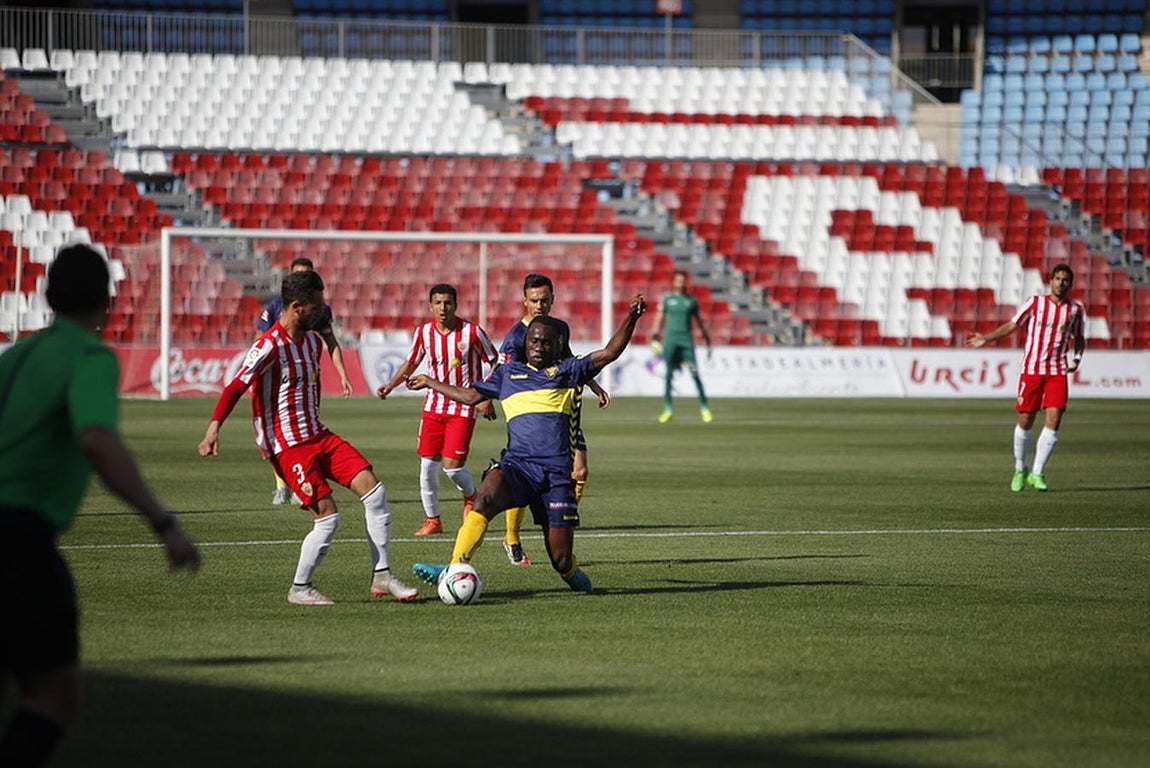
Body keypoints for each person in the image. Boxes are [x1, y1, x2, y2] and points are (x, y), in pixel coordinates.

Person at [0, 244, 200, 767]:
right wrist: (164, 522)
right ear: (107, 301)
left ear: (47, 295)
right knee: (52, 696)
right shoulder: (88, 357)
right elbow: (96, 440)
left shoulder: (16, 355)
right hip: (18, 538)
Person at [406, 293, 648, 596]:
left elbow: (610, 352)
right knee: (484, 499)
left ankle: (572, 572)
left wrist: (632, 317)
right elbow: (470, 397)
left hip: (557, 476)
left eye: (545, 342)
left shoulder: (569, 371)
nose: (538, 347)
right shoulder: (508, 373)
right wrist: (430, 381)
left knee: (559, 559)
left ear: (557, 346)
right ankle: (454, 565)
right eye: (533, 341)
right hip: (517, 466)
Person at [200, 269, 417, 605]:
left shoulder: (314, 342)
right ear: (297, 306)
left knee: (375, 492)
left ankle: (383, 576)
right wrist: (214, 427)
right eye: (317, 306)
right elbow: (235, 385)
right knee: (328, 517)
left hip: (318, 435)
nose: (322, 311)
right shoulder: (268, 345)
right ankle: (300, 588)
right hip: (287, 446)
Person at [497, 273, 610, 567]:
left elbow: (571, 361)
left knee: (581, 470)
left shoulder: (559, 328)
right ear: (524, 300)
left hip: (564, 410)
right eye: (534, 300)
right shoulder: (515, 337)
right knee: (522, 478)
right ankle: (511, 538)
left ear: (552, 299)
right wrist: (486, 398)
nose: (539, 305)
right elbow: (505, 375)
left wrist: (594, 386)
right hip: (533, 417)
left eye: (544, 300)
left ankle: (558, 517)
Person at [376, 283, 498, 536]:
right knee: (427, 467)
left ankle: (471, 495)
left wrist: (486, 395)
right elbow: (411, 363)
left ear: (456, 305)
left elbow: (496, 362)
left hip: (464, 407)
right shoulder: (424, 333)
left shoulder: (472, 332)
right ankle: (433, 521)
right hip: (433, 407)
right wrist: (391, 385)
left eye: (448, 303)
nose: (443, 308)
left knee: (452, 468)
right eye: (438, 303)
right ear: (430, 306)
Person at [966, 263, 1086, 492]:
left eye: (1065, 280)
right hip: (1032, 369)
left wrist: (1077, 359)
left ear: (1070, 284)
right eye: (1057, 278)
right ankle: (1020, 468)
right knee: (1026, 421)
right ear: (1050, 281)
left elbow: (1079, 337)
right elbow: (1013, 325)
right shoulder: (1035, 303)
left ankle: (1038, 472)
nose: (1061, 283)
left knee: (1054, 420)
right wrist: (987, 338)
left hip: (1057, 370)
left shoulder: (1075, 310)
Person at [256, 257, 353, 505]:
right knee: (276, 434)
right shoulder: (276, 307)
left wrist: (342, 374)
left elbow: (331, 342)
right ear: (289, 277)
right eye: (299, 274)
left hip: (308, 379)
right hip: (279, 378)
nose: (303, 279)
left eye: (307, 274)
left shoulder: (320, 309)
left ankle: (306, 481)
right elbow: (259, 342)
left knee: (307, 431)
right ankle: (282, 485)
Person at [651, 270, 713, 423]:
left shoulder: (691, 301)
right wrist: (655, 335)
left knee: (694, 373)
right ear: (674, 282)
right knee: (669, 375)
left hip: (686, 341)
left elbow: (698, 321)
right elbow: (659, 318)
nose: (680, 283)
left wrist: (706, 336)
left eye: (683, 280)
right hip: (670, 340)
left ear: (686, 282)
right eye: (678, 280)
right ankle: (668, 409)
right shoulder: (667, 299)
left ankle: (704, 408)